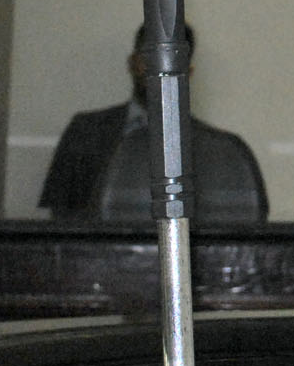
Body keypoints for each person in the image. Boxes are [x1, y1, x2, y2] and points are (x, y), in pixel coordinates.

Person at [37, 22, 268, 223]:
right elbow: (58, 218)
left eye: (173, 59)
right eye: (150, 57)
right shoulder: (85, 132)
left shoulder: (224, 152)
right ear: (132, 62)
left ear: (189, 71)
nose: (161, 68)